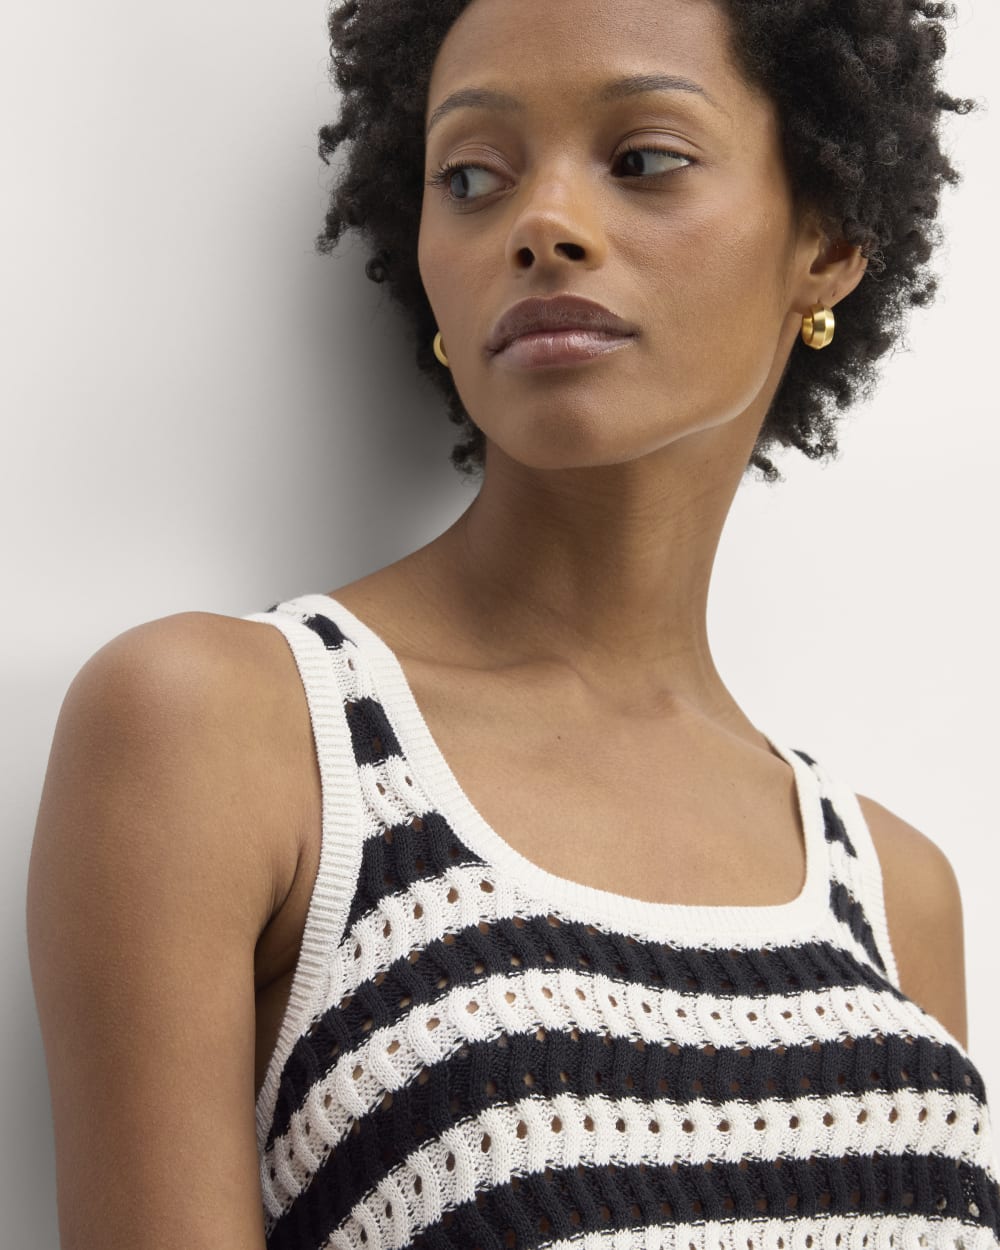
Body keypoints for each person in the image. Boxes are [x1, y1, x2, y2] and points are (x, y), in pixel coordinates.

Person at [25, 0, 998, 1247]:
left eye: (643, 159)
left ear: (828, 238)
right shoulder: (233, 730)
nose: (543, 223)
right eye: (472, 179)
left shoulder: (890, 889)